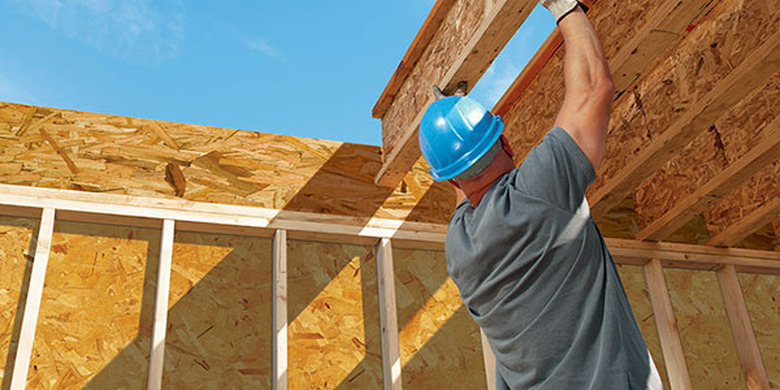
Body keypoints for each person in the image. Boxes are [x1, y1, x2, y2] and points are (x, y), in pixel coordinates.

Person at [417, 0, 664, 388]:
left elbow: (467, 191)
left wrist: (449, 118)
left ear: (450, 181)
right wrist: (564, 6)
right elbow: (594, 90)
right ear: (508, 144)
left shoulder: (458, 249)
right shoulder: (538, 192)